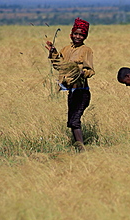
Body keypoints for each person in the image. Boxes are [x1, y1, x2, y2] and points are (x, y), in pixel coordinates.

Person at [45, 17, 95, 152]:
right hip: (71, 92)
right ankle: (79, 148)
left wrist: (80, 72)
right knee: (72, 122)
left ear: (85, 36)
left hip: (82, 91)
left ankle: (82, 150)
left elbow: (90, 70)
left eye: (81, 35)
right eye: (76, 34)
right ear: (71, 34)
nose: (78, 37)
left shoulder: (86, 50)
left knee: (74, 121)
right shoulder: (66, 49)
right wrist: (53, 53)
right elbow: (59, 66)